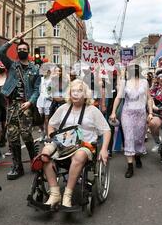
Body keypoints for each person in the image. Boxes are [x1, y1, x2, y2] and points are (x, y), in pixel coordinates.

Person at [42, 80, 111, 210]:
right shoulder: (63, 108)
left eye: (79, 91)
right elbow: (51, 124)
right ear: (69, 93)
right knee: (45, 153)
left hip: (84, 146)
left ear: (85, 94)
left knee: (79, 156)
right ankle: (55, 193)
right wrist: (51, 136)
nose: (76, 94)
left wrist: (104, 149)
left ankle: (67, 195)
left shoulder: (93, 111)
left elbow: (106, 130)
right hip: (63, 144)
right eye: (73, 91)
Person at [0, 35, 41, 180]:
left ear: (28, 51)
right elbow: (0, 52)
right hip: (12, 105)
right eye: (20, 49)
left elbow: (36, 89)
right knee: (12, 136)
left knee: (26, 134)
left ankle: (34, 160)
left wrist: (30, 102)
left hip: (25, 104)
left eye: (24, 49)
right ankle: (17, 166)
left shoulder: (34, 69)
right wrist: (13, 40)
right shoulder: (12, 65)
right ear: (17, 51)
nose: (22, 50)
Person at [110, 64, 153, 178]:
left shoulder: (145, 82)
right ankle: (130, 166)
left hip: (141, 113)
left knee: (139, 138)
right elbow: (118, 97)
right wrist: (113, 112)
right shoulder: (125, 82)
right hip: (127, 113)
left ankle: (137, 156)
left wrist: (151, 112)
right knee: (129, 138)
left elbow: (149, 98)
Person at [36, 69, 54, 139]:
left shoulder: (51, 80)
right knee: (39, 118)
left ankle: (46, 134)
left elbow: (51, 90)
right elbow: (39, 89)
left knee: (46, 119)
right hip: (40, 100)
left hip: (48, 101)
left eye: (47, 71)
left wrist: (50, 96)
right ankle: (42, 131)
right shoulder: (41, 79)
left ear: (49, 72)